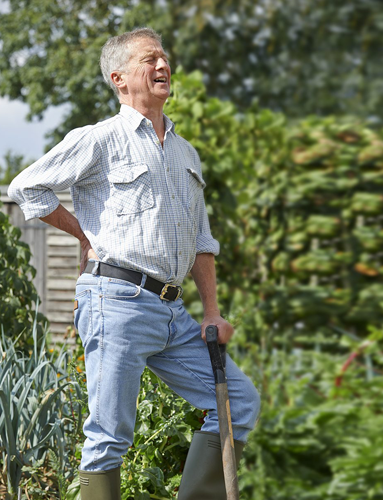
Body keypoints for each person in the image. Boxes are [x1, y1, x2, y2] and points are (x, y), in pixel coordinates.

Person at [8, 27, 260, 500]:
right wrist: (84, 233)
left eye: (164, 57)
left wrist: (211, 312)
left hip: (172, 311)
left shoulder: (186, 153)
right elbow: (27, 188)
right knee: (109, 438)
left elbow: (202, 241)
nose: (163, 66)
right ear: (119, 78)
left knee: (238, 403)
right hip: (116, 300)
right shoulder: (100, 139)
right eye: (150, 59)